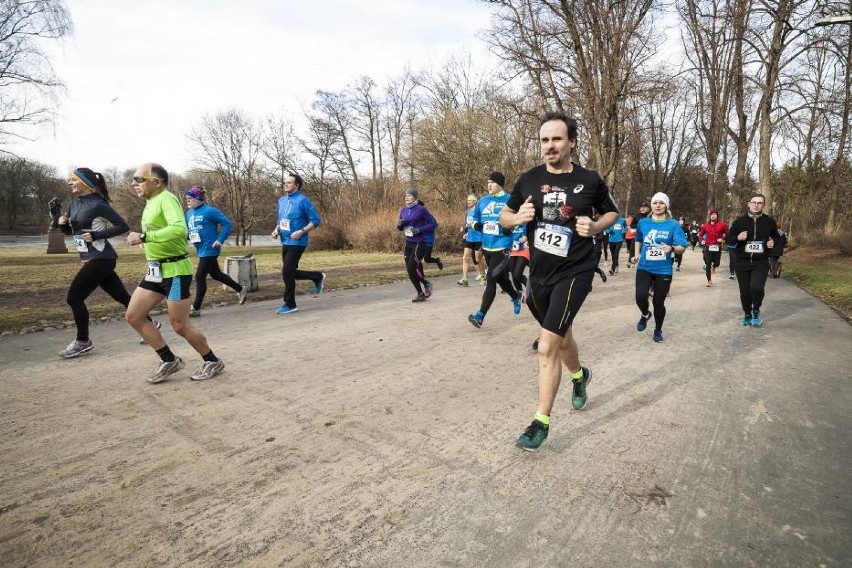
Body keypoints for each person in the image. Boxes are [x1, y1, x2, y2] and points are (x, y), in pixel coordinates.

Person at [500, 112, 619, 452]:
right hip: (539, 274)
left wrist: (596, 227)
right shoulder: (528, 180)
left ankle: (541, 423)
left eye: (556, 139)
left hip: (576, 271)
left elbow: (612, 212)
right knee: (562, 335)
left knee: (548, 344)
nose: (549, 146)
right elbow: (504, 215)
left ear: (572, 142)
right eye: (544, 140)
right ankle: (580, 378)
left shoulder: (590, 180)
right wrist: (516, 217)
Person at [124, 163, 224, 383]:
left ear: (156, 182)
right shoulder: (150, 202)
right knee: (134, 316)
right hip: (155, 270)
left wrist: (144, 237)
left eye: (139, 179)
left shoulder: (167, 199)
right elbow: (159, 232)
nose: (134, 184)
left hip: (175, 271)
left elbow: (180, 229)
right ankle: (169, 360)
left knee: (179, 324)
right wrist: (146, 242)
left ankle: (212, 360)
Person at [57, 167, 157, 358]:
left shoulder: (98, 204)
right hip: (90, 258)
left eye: (73, 179)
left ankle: (83, 341)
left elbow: (123, 226)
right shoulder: (74, 203)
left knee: (74, 298)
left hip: (101, 258)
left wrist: (97, 235)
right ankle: (150, 324)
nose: (69, 183)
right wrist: (63, 225)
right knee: (121, 296)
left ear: (85, 182)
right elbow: (74, 232)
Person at [467, 171, 522, 327]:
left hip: (503, 247)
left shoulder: (510, 200)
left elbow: (520, 221)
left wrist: (510, 228)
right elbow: (473, 219)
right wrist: (476, 225)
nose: (489, 185)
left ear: (500, 184)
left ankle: (480, 315)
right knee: (502, 280)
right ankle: (516, 296)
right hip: (487, 247)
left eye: (492, 182)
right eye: (488, 182)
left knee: (491, 279)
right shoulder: (483, 201)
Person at [630, 193, 687, 343]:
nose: (658, 205)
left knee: (658, 303)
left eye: (661, 203)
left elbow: (682, 247)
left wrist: (672, 248)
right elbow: (638, 239)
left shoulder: (673, 224)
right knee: (640, 297)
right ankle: (644, 314)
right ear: (652, 206)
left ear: (666, 206)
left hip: (664, 270)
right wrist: (636, 255)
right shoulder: (643, 223)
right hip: (644, 267)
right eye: (655, 202)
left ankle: (658, 330)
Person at [184, 185, 246, 316]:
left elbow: (227, 223)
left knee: (200, 276)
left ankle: (196, 308)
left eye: (190, 198)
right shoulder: (188, 213)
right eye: (187, 198)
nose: (187, 201)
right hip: (200, 249)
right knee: (216, 274)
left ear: (199, 198)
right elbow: (187, 231)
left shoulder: (210, 211)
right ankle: (240, 289)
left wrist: (220, 240)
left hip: (210, 248)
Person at [271, 174, 325, 314]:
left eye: (289, 183)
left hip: (298, 241)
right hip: (285, 240)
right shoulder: (282, 200)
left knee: (287, 272)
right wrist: (276, 230)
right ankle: (317, 276)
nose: (286, 185)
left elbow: (315, 220)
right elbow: (281, 220)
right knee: (290, 273)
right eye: (285, 182)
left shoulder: (303, 201)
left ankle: (290, 304)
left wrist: (301, 231)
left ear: (297, 185)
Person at [726, 194, 780, 327]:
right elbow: (729, 239)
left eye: (760, 203)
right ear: (749, 204)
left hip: (760, 261)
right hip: (742, 261)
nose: (756, 205)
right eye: (754, 202)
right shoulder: (740, 221)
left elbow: (777, 237)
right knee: (744, 291)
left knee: (756, 287)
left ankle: (756, 309)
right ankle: (747, 314)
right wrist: (738, 237)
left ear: (763, 205)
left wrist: (772, 242)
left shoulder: (769, 221)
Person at [397, 187, 437, 302]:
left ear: (414, 197)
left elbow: (433, 224)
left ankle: (424, 286)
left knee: (411, 268)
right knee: (409, 270)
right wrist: (400, 224)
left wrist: (419, 230)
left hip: (420, 243)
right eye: (405, 195)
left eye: (409, 195)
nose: (406, 197)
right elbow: (400, 228)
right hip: (408, 243)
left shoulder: (421, 209)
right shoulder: (403, 210)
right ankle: (421, 292)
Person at [458, 194, 486, 286]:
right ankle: (465, 278)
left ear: (475, 201)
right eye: (467, 200)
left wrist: (478, 227)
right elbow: (467, 224)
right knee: (465, 258)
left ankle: (483, 276)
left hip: (479, 238)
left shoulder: (480, 212)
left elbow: (484, 224)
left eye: (470, 200)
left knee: (478, 259)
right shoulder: (467, 212)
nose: (468, 202)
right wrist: (464, 229)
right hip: (470, 238)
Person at [698, 209, 729, 287]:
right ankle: (709, 280)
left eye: (715, 214)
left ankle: (714, 266)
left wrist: (723, 239)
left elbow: (728, 233)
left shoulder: (722, 225)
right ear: (710, 216)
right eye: (712, 214)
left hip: (717, 247)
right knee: (708, 264)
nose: (713, 215)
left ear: (717, 215)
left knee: (717, 262)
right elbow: (700, 235)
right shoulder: (705, 225)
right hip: (708, 247)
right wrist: (702, 241)